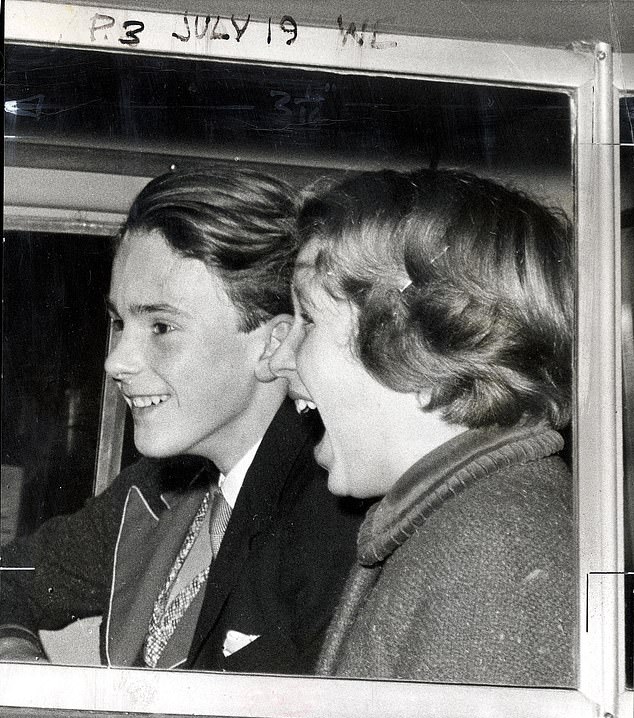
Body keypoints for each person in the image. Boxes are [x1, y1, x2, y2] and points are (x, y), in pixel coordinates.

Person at [0, 167, 364, 673]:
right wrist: (20, 663)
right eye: (120, 322)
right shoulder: (155, 492)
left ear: (275, 344)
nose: (116, 362)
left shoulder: (336, 521)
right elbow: (9, 573)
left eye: (162, 326)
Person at [269, 167, 575, 687]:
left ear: (414, 346)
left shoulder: (488, 549)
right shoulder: (465, 522)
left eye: (309, 320)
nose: (278, 360)